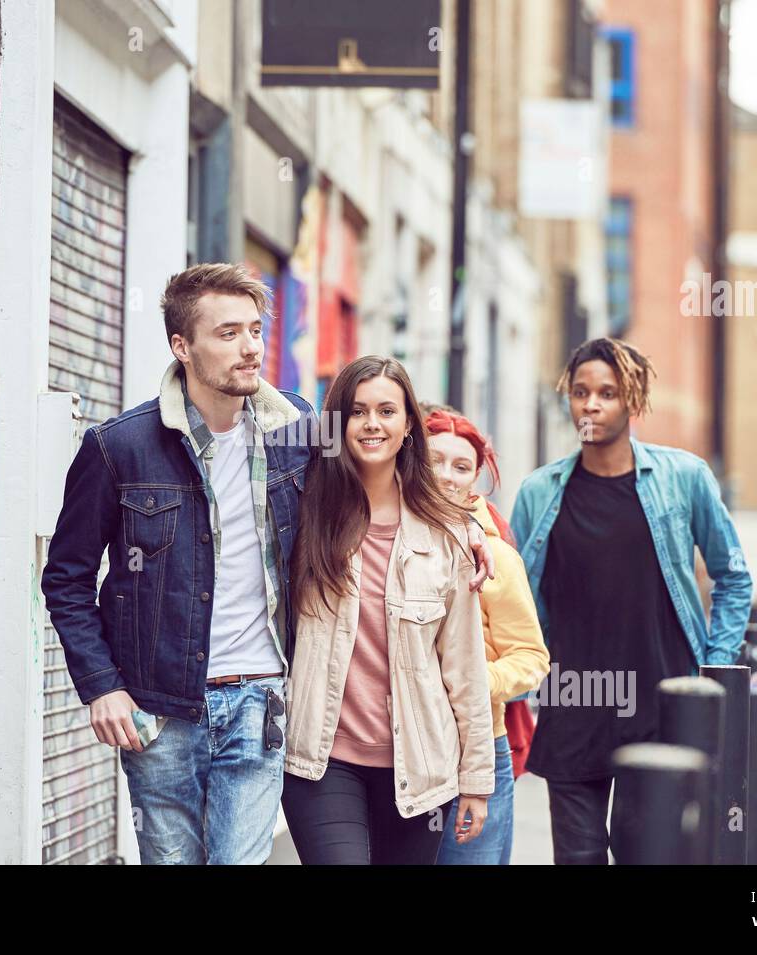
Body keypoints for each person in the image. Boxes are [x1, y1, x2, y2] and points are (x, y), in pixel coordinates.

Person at [41, 264, 496, 865]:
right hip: (160, 709)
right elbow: (66, 579)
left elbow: (389, 465)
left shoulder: (298, 434)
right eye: (228, 333)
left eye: (255, 330)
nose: (251, 346)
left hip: (259, 705)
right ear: (183, 346)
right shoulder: (120, 447)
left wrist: (466, 525)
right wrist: (102, 687)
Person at [509, 337, 753, 864]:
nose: (590, 405)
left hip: (660, 707)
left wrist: (713, 668)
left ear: (633, 402)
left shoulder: (683, 479)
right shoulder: (538, 493)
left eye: (607, 393)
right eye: (580, 392)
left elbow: (733, 575)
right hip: (572, 707)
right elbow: (517, 604)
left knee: (650, 854)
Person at [280, 356, 497, 865]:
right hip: (322, 759)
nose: (372, 424)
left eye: (386, 411)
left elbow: (464, 668)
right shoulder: (302, 507)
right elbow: (255, 408)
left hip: (419, 765)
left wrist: (477, 781)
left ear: (408, 427)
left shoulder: (447, 536)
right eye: (357, 412)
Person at [425, 408, 550, 865]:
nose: (446, 476)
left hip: (476, 748)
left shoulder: (494, 556)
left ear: (476, 478)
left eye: (461, 467)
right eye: (435, 460)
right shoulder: (384, 534)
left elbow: (531, 657)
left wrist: (472, 681)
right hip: (402, 752)